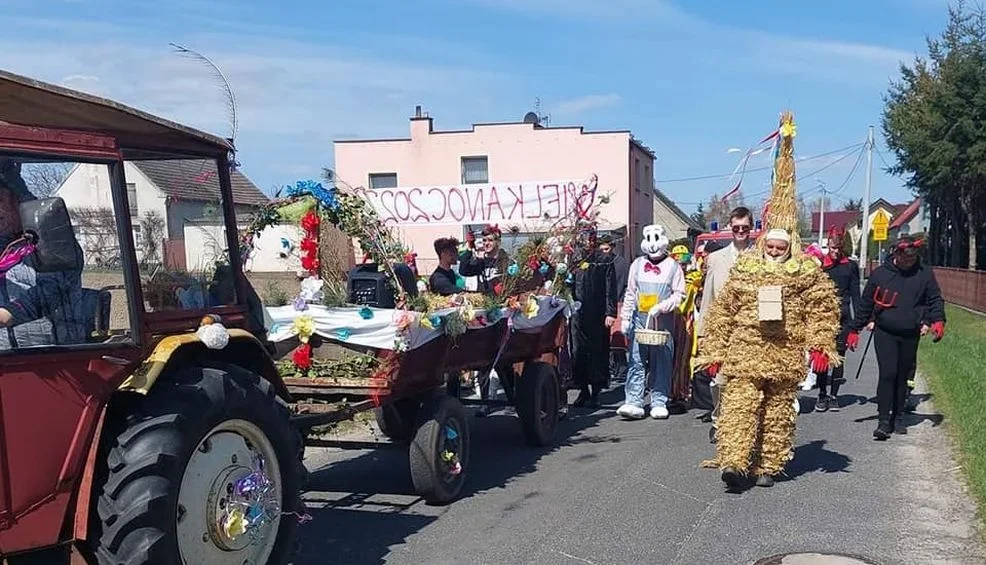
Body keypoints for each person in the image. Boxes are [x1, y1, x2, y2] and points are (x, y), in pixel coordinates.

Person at [695, 112, 841, 490]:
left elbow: (822, 306)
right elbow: (723, 311)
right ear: (763, 244)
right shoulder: (746, 270)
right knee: (740, 405)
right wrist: (713, 351)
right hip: (747, 351)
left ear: (789, 246)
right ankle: (733, 462)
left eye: (781, 246)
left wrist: (822, 343)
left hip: (784, 352)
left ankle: (768, 465)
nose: (775, 251)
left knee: (777, 412)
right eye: (771, 246)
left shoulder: (805, 271)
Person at [846, 234, 945, 440]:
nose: (909, 263)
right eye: (905, 259)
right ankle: (883, 420)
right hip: (886, 332)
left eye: (912, 259)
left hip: (910, 332)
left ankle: (898, 417)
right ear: (896, 255)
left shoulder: (924, 273)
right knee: (888, 374)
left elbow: (934, 299)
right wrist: (854, 329)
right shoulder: (881, 274)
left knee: (902, 376)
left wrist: (936, 320)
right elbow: (865, 304)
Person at [615, 224, 685, 420]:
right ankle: (634, 400)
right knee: (636, 359)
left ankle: (659, 400)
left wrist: (663, 306)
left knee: (661, 361)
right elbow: (630, 293)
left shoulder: (673, 266)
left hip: (662, 322)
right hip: (640, 319)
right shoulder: (637, 264)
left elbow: (679, 295)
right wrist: (626, 318)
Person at [814, 227, 861, 413]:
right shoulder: (820, 266)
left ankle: (834, 395)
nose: (834, 252)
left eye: (837, 249)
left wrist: (858, 324)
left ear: (842, 248)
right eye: (832, 248)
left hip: (843, 317)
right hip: (823, 317)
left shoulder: (850, 266)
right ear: (828, 246)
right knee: (822, 358)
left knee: (839, 357)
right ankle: (822, 394)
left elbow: (856, 294)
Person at [570, 233, 618, 408]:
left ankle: (596, 391)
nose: (587, 243)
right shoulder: (573, 260)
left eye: (590, 239)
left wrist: (611, 312)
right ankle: (582, 390)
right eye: (584, 239)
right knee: (578, 351)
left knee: (597, 351)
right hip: (577, 313)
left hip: (597, 313)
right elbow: (568, 285)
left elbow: (610, 288)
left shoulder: (604, 260)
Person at [599, 234, 630, 386]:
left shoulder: (622, 264)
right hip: (603, 304)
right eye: (602, 249)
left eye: (606, 248)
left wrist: (623, 301)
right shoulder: (599, 263)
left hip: (618, 302)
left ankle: (621, 368)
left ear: (612, 247)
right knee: (607, 339)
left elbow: (626, 285)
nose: (604, 252)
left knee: (618, 339)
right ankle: (610, 367)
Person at [458, 224, 510, 295]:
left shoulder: (505, 261)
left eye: (490, 240)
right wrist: (470, 247)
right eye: (484, 240)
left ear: (498, 242)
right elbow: (463, 271)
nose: (486, 243)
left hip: (501, 301)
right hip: (483, 300)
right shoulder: (481, 262)